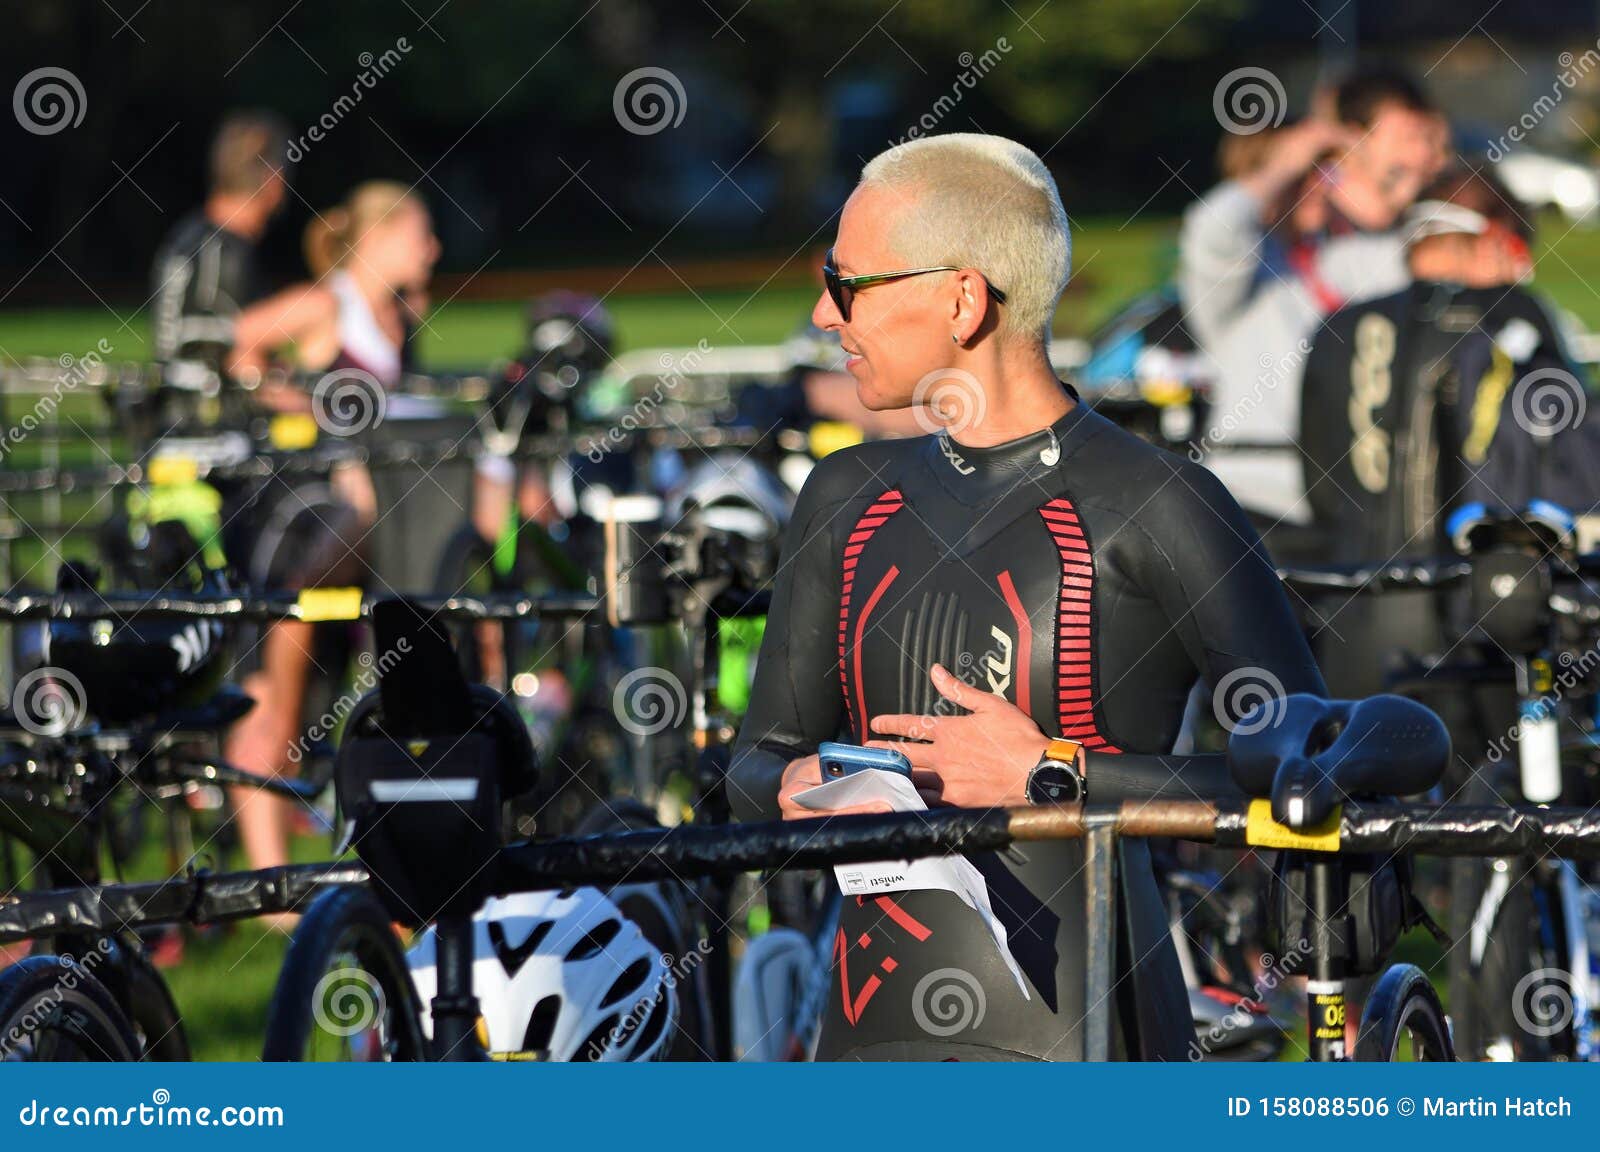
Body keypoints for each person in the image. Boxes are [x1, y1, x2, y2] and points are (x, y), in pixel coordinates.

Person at [727, 133, 1324, 1061]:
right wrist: (799, 784)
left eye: (848, 285)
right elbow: (754, 762)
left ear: (962, 299)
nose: (824, 312)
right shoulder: (844, 496)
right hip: (861, 1048)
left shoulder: (1156, 502)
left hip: (1088, 1042)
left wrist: (1058, 775)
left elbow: (1306, 773)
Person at [1300, 163, 1600, 698]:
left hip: (1344, 634)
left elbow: (1319, 491)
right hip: (1475, 641)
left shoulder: (1335, 327)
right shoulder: (1511, 318)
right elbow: (1573, 469)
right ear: (1490, 241)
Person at [223, 182, 440, 880]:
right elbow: (234, 350)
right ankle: (269, 884)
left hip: (376, 529)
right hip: (304, 517)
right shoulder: (326, 304)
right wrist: (299, 401)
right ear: (376, 239)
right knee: (275, 696)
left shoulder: (403, 319)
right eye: (419, 235)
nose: (432, 250)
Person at [1179, 65, 1440, 548]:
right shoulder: (1245, 284)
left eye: (1329, 173)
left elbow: (1426, 252)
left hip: (1349, 513)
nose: (1323, 185)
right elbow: (1213, 227)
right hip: (1250, 511)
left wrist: (1389, 182)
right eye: (1310, 176)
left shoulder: (1341, 261)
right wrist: (1282, 165)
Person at [149, 111, 291, 409]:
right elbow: (233, 356)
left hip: (173, 412)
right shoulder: (226, 253)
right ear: (273, 179)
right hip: (209, 426)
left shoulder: (186, 237)